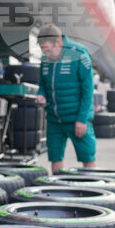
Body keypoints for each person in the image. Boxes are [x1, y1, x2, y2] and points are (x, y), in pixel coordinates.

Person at [37, 24, 96, 172]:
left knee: (87, 157)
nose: (45, 54)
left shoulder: (79, 53)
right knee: (55, 158)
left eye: (48, 49)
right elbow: (42, 84)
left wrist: (82, 119)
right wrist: (41, 95)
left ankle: (92, 188)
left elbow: (88, 90)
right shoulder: (45, 58)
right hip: (54, 120)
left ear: (58, 43)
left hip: (77, 119)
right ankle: (57, 190)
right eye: (42, 49)